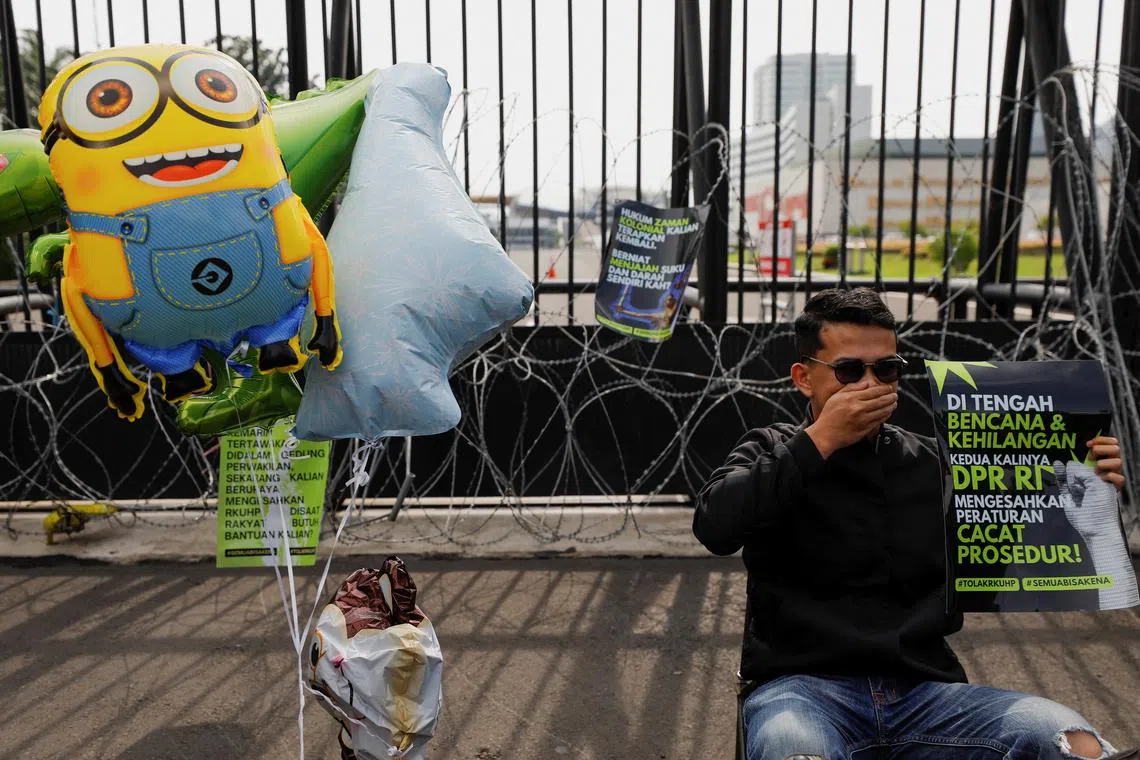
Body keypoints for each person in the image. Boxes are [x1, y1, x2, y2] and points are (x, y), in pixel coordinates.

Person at [693, 288, 1135, 760]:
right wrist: (819, 441)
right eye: (849, 371)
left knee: (1071, 741)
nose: (870, 384)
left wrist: (1090, 492)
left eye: (885, 369)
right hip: (803, 693)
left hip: (926, 693)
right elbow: (715, 526)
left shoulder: (934, 463)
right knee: (794, 751)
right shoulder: (771, 449)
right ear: (804, 378)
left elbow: (1023, 549)